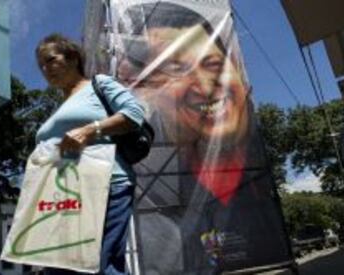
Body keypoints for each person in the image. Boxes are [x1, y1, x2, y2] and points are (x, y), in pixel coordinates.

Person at [113, 2, 292, 274]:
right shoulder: (150, 199)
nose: (206, 86)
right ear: (146, 89)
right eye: (176, 69)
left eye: (212, 64)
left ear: (234, 66)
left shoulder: (259, 178)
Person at [35, 33, 145, 274]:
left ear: (73, 58)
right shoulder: (60, 106)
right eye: (41, 65)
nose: (45, 69)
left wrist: (89, 130)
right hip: (62, 193)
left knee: (97, 264)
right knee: (60, 267)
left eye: (50, 60)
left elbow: (135, 113)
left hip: (103, 183)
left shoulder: (98, 85)